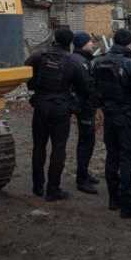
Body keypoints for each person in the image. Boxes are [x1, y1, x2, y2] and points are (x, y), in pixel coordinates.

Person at [25, 27, 90, 201]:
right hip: (61, 108)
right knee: (58, 148)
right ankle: (53, 190)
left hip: (41, 105)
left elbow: (25, 73)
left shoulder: (39, 56)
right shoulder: (73, 62)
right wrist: (74, 105)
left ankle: (38, 186)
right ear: (69, 43)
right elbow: (84, 88)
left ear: (54, 38)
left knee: (39, 146)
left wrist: (35, 89)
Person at [92, 28, 131, 218]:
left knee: (112, 155)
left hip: (109, 117)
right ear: (129, 44)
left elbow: (92, 91)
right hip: (126, 119)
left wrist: (105, 107)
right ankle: (127, 205)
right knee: (127, 159)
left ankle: (113, 199)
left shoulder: (97, 62)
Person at [70, 31, 100, 194]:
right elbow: (87, 86)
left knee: (88, 141)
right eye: (90, 42)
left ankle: (84, 172)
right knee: (86, 142)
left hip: (85, 106)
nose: (92, 44)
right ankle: (82, 179)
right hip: (84, 107)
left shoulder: (81, 59)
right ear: (83, 43)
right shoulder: (80, 62)